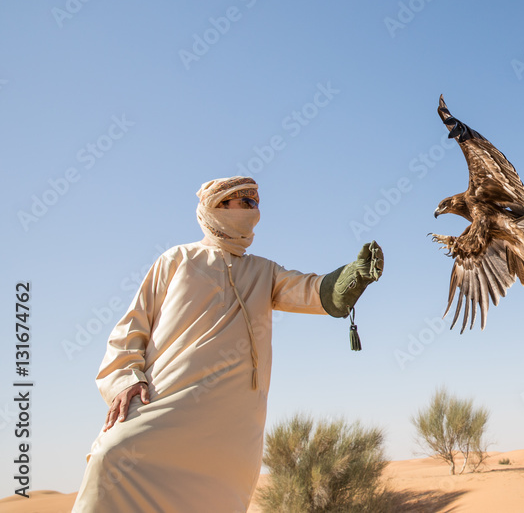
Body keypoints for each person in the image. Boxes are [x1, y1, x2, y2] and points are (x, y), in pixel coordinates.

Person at [72, 176, 383, 512]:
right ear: (216, 206)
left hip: (232, 422)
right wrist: (124, 378)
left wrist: (352, 276)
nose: (253, 210)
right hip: (166, 400)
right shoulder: (177, 259)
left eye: (255, 203)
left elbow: (312, 291)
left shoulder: (264, 272)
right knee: (111, 458)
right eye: (244, 202)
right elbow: (133, 325)